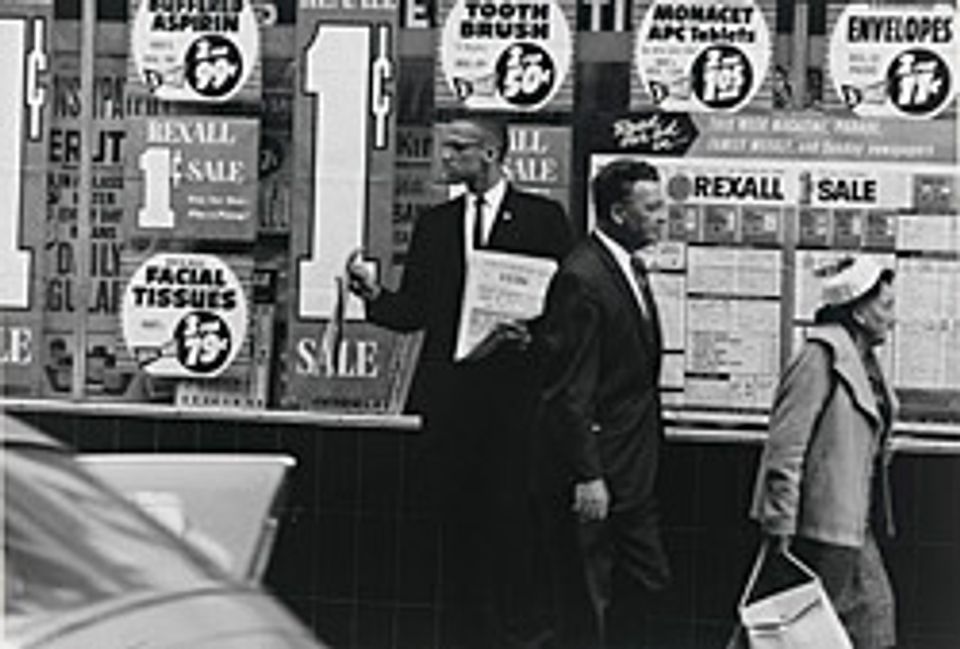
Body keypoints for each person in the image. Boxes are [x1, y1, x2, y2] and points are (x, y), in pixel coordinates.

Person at [346, 115, 573, 649]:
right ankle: (458, 631)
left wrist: (535, 339)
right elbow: (415, 310)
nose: (444, 158)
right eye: (444, 148)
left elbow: (568, 309)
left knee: (513, 520)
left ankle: (516, 631)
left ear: (491, 153)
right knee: (454, 521)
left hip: (515, 401)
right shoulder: (437, 223)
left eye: (457, 148)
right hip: (451, 402)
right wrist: (373, 295)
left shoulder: (543, 218)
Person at [535, 159, 671, 649]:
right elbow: (570, 389)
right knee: (599, 596)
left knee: (637, 588)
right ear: (617, 213)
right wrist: (588, 475)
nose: (663, 215)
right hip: (605, 474)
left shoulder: (621, 268)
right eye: (651, 206)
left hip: (631, 467)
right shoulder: (584, 277)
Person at [750, 255, 898, 649]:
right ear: (859, 312)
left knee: (862, 625)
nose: (892, 317)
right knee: (802, 632)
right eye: (885, 306)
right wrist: (779, 525)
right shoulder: (819, 357)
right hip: (819, 527)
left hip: (852, 520)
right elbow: (786, 446)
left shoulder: (864, 361)